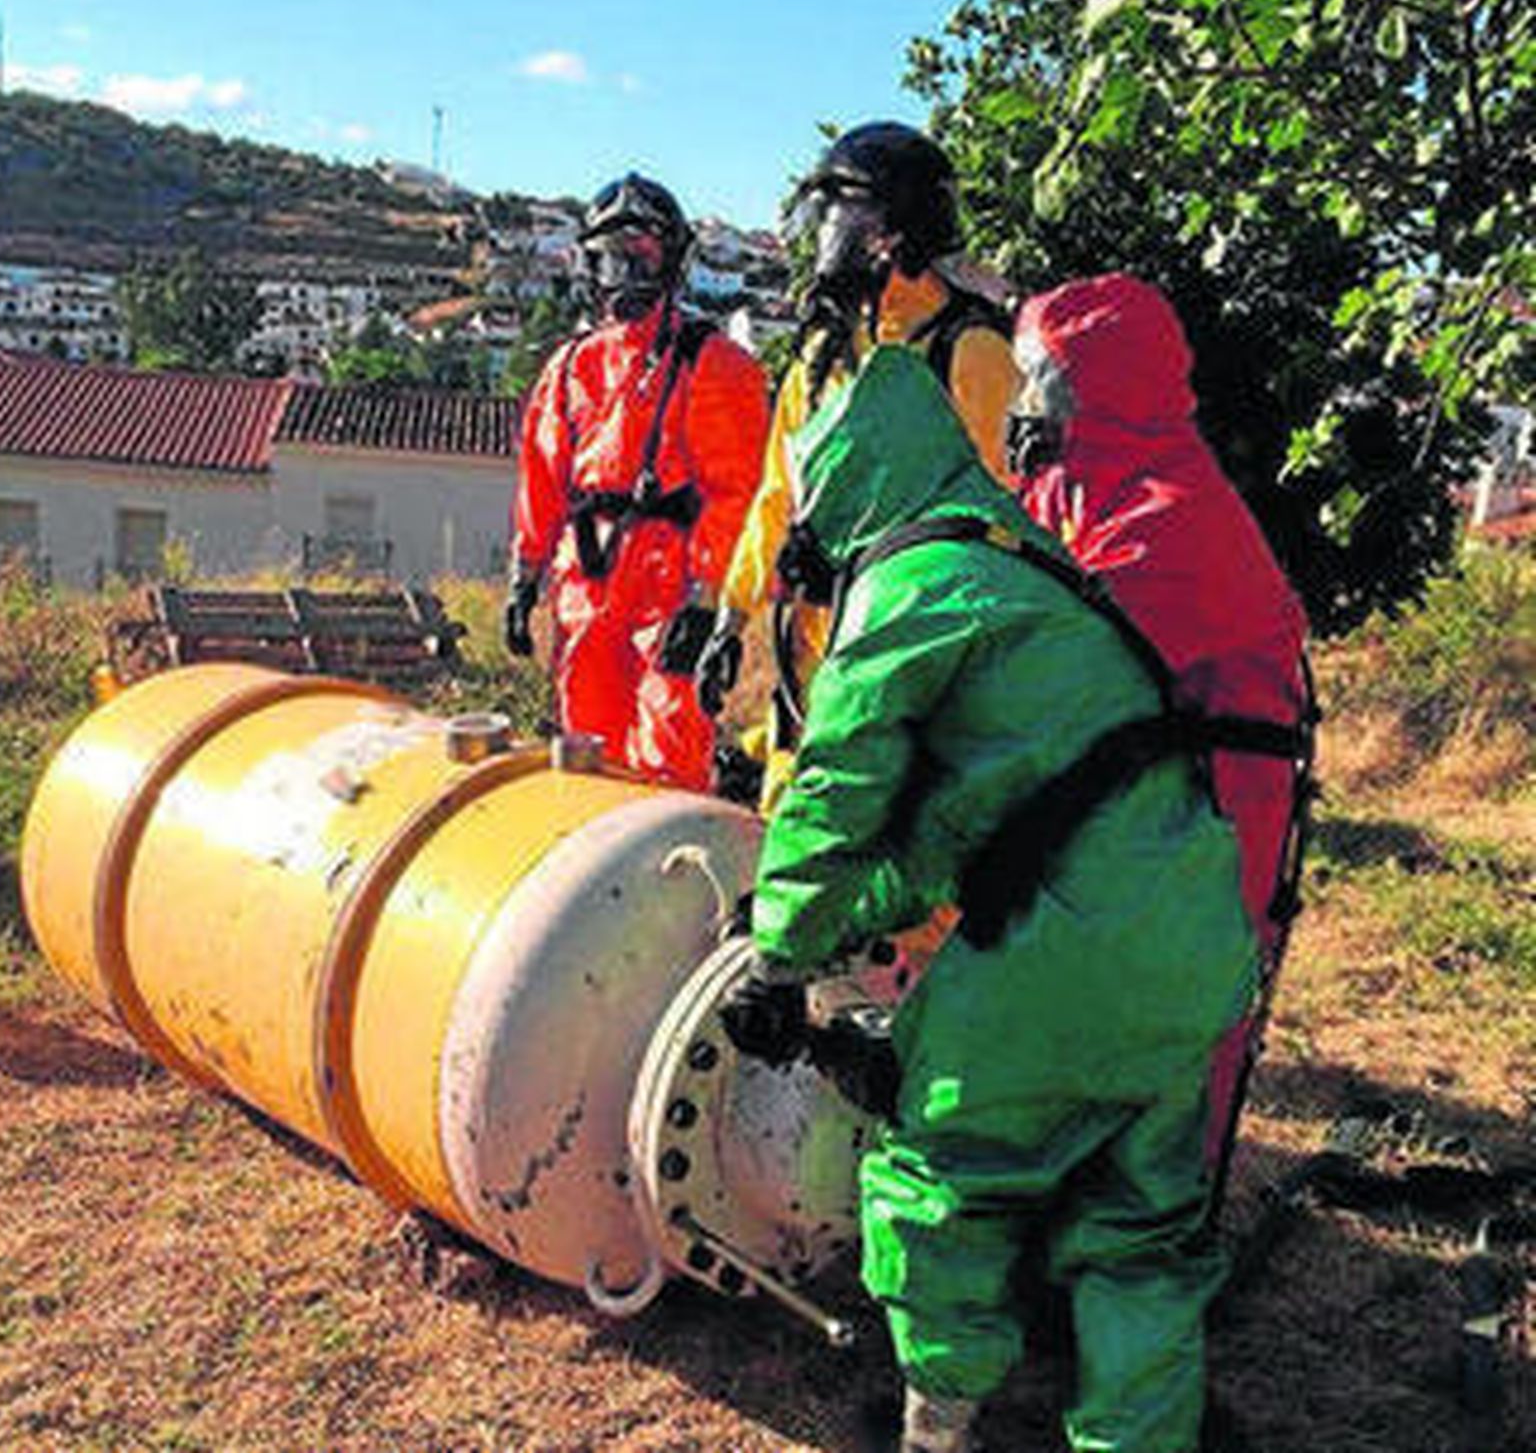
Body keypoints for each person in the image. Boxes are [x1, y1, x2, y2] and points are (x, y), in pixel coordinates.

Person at [719, 344, 1259, 1453]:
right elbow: (962, 829)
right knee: (1139, 1225)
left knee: (940, 1178)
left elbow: (835, 787)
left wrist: (776, 955)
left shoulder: (910, 582)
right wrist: (833, 922)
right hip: (1196, 933)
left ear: (843, 493)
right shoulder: (1025, 565)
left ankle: (937, 1431)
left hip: (1073, 951)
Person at [1011, 273, 1312, 1171]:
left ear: (1110, 387)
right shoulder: (1077, 489)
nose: (1030, 403)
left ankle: (1147, 1253)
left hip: (1208, 828)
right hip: (1133, 813)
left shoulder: (1173, 518)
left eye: (1048, 381)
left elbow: (1048, 662)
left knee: (1165, 1040)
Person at [695, 123, 1018, 808]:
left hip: (913, 671)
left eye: (847, 215)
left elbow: (998, 531)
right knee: (792, 835)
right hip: (809, 660)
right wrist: (731, 613)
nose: (829, 237)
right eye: (828, 216)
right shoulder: (820, 355)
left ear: (897, 231)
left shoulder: (970, 354)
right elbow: (777, 498)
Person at [505, 173, 769, 790]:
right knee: (584, 756)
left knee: (670, 750)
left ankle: (670, 877)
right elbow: (543, 478)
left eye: (641, 258)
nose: (624, 275)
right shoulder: (570, 366)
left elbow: (738, 494)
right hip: (586, 578)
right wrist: (524, 576)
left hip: (670, 581)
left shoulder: (717, 364)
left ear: (671, 262)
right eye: (609, 259)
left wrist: (708, 604)